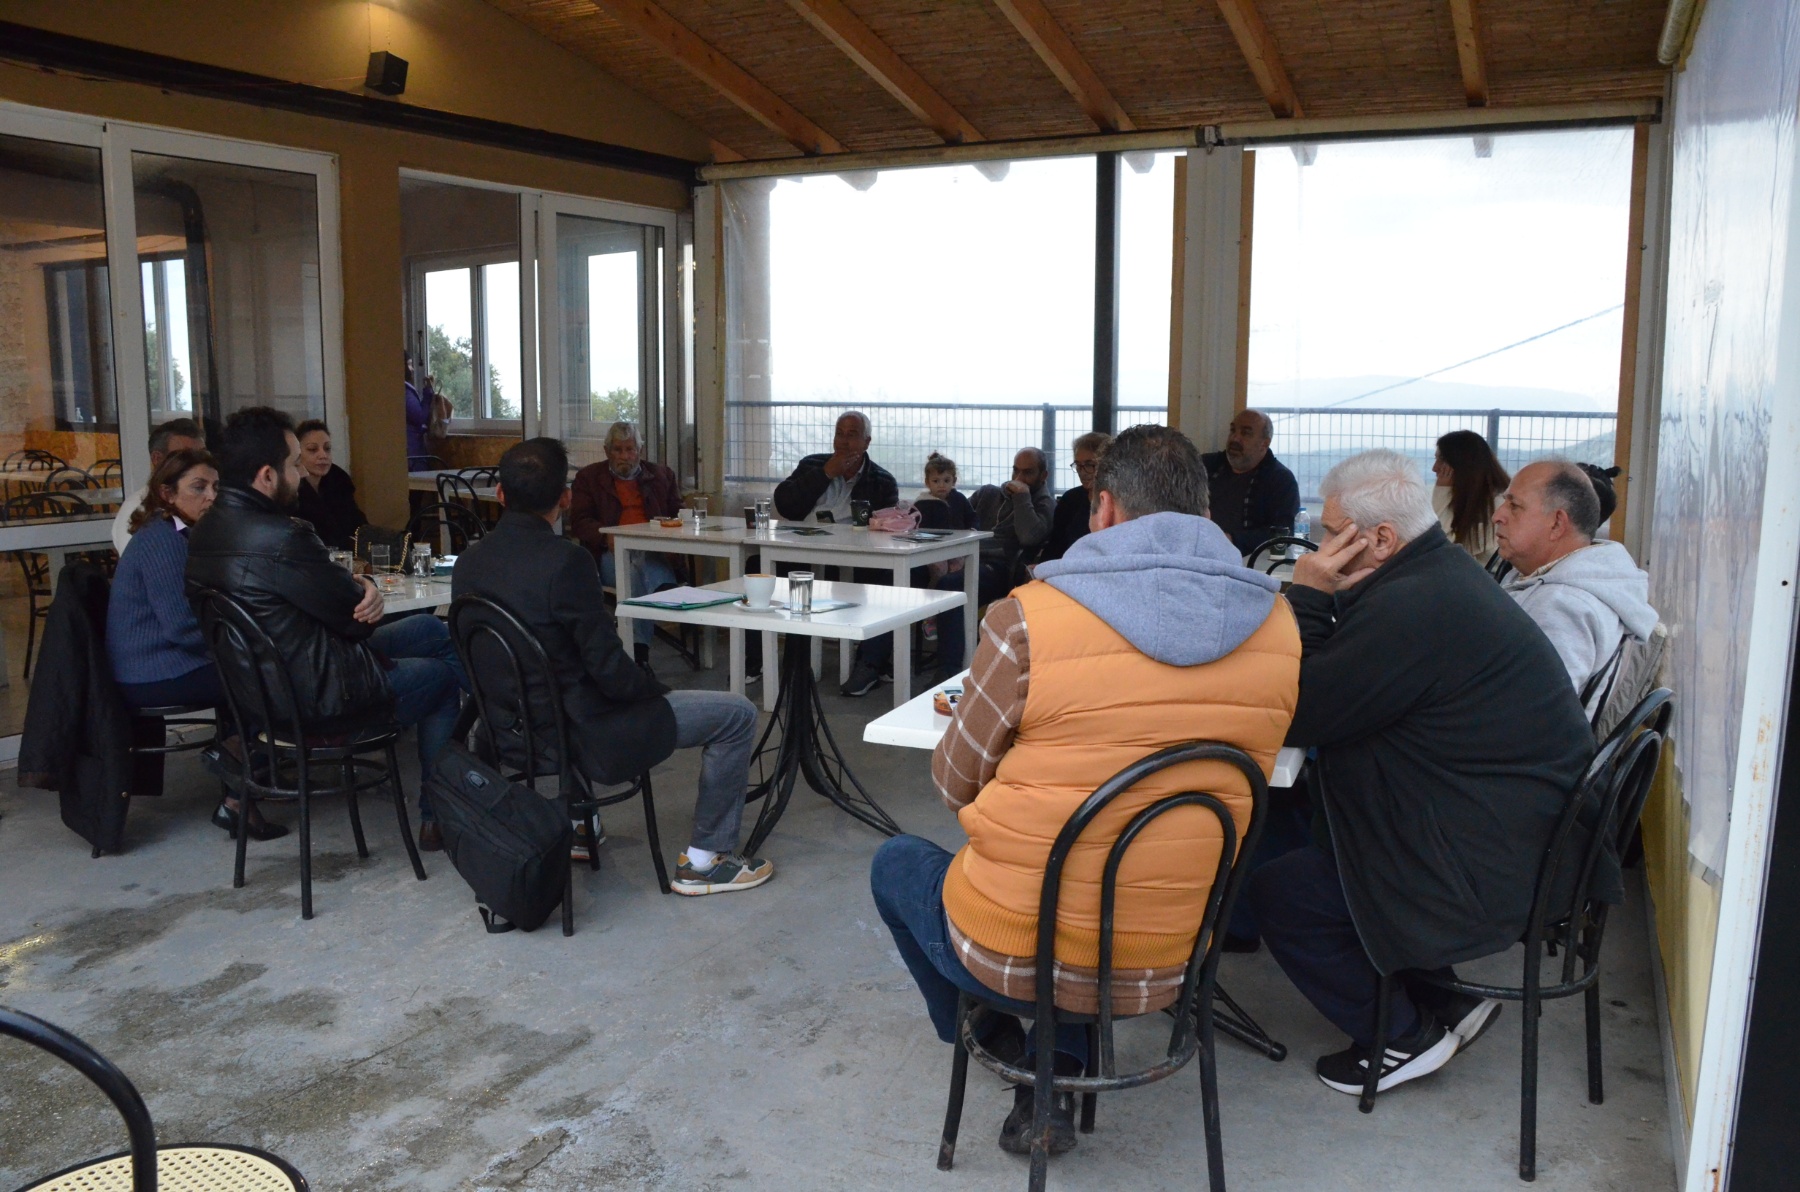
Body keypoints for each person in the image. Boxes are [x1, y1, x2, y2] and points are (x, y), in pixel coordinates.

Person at [872, 424, 1300, 1157]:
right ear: (1205, 515)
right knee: (1091, 874)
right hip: (1174, 957)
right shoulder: (1281, 627)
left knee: (899, 864)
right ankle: (1056, 1072)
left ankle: (1000, 1038)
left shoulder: (1028, 618)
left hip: (1017, 953)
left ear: (1102, 510)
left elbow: (953, 780)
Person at [1247, 449, 1602, 1097]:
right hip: (1523, 829)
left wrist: (1309, 596)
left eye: (1333, 533)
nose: (1322, 548)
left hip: (1491, 860)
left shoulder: (1415, 604)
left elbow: (1302, 713)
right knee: (1325, 818)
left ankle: (1401, 1037)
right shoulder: (1440, 574)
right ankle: (1447, 1000)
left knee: (1283, 893)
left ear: (1381, 539)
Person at [454, 438, 774, 895]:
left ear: (500, 495)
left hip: (506, 727)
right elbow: (607, 668)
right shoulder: (568, 562)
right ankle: (706, 861)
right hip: (579, 734)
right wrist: (656, 691)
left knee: (557, 687)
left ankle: (581, 827)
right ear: (566, 498)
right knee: (736, 714)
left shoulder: (468, 563)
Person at [186, 406, 467, 848]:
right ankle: (442, 814)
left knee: (430, 632)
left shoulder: (204, 533)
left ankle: (489, 733)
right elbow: (355, 622)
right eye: (295, 463)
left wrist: (355, 592)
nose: (302, 473)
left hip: (263, 691)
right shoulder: (283, 538)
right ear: (267, 476)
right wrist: (364, 589)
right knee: (443, 678)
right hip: (321, 698)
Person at [1493, 460, 1657, 701]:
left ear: (1557, 523)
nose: (1497, 515)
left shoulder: (1561, 607)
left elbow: (1529, 710)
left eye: (1514, 506)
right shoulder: (1553, 579)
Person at [770, 412, 900, 696]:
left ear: (867, 442)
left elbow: (884, 527)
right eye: (839, 433)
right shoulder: (812, 465)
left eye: (852, 435)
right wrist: (825, 473)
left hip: (855, 556)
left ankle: (870, 663)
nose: (843, 441)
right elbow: (786, 505)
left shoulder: (882, 480)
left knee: (884, 580)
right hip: (804, 550)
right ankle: (758, 661)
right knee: (759, 568)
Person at [930, 447, 1053, 683]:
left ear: (1043, 476)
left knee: (950, 585)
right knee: (914, 575)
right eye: (1015, 470)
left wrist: (1022, 497)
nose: (1019, 478)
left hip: (998, 567)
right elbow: (955, 519)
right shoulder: (988, 493)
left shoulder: (1044, 503)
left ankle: (949, 669)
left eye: (1027, 472)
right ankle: (881, 661)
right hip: (962, 556)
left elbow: (1030, 537)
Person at [568, 421, 682, 669]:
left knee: (641, 566)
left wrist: (671, 528)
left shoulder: (662, 475)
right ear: (607, 451)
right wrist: (604, 535)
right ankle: (661, 599)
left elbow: (678, 514)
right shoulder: (589, 478)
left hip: (652, 549)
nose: (624, 456)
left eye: (630, 449)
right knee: (630, 573)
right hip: (610, 552)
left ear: (640, 451)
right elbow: (579, 522)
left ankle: (638, 655)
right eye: (617, 450)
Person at [1201, 409, 1300, 556]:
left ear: (1264, 443)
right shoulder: (1205, 466)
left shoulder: (1280, 479)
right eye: (1233, 430)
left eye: (1245, 433)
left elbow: (1284, 532)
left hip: (1248, 561)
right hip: (1197, 552)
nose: (1235, 438)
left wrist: (1231, 539)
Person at [110, 417, 205, 553]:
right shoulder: (138, 509)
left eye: (203, 454)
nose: (199, 463)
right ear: (157, 459)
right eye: (184, 457)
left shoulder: (205, 500)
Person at [1431, 430, 1508, 564]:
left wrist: (1442, 491)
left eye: (1442, 460)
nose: (1435, 468)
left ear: (1463, 463)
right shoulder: (1469, 499)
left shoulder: (1497, 503)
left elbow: (1438, 546)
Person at [1037, 431, 1111, 563]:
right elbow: (1056, 545)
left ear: (1107, 464)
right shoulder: (1070, 499)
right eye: (1078, 465)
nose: (1082, 472)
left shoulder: (1120, 501)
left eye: (1089, 465)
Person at [293, 420, 368, 550]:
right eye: (312, 449)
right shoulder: (290, 488)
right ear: (297, 454)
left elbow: (358, 524)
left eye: (327, 449)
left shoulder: (339, 481)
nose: (323, 455)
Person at [914, 452, 976, 532]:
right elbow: (916, 527)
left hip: (960, 539)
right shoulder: (922, 503)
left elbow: (972, 518)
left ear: (954, 481)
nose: (941, 485)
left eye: (946, 481)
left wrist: (973, 529)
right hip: (934, 539)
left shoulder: (959, 498)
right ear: (927, 482)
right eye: (936, 481)